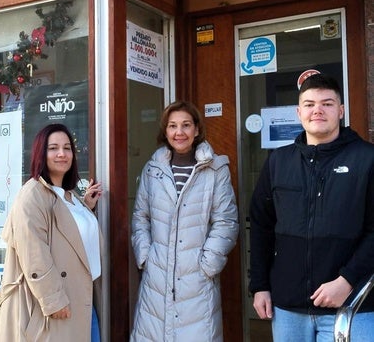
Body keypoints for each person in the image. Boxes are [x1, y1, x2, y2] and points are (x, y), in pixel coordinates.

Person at [249, 73, 374, 341]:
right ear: (298, 112)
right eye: (309, 104)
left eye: (327, 104)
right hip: (288, 308)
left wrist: (346, 281)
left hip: (353, 305)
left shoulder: (367, 159)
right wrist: (259, 286)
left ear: (340, 111)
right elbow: (261, 226)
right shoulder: (278, 162)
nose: (317, 110)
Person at [130, 100, 239, 341]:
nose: (179, 132)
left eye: (186, 125)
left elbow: (226, 222)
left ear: (197, 130)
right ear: (165, 131)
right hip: (156, 278)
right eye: (172, 126)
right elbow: (140, 217)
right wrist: (146, 256)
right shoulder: (153, 169)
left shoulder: (215, 169)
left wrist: (207, 265)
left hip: (197, 279)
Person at [0, 123, 103, 342]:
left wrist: (86, 208)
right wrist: (54, 301)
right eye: (53, 148)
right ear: (41, 153)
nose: (62, 154)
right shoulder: (32, 194)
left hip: (83, 299)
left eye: (67, 148)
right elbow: (34, 253)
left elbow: (66, 231)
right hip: (56, 305)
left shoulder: (68, 195)